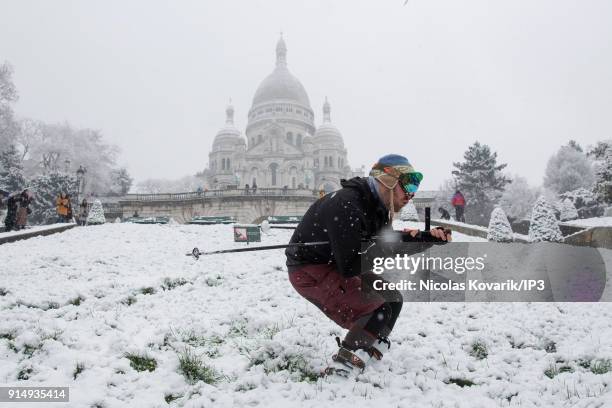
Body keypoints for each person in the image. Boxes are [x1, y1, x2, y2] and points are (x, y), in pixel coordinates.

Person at [285, 154, 451, 373]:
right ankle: (344, 366)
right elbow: (353, 264)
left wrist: (424, 238)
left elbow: (387, 243)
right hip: (310, 269)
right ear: (388, 180)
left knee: (392, 298)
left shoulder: (376, 208)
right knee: (375, 308)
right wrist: (386, 246)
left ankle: (370, 347)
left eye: (416, 185)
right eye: (408, 183)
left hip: (336, 264)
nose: (411, 193)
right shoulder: (348, 204)